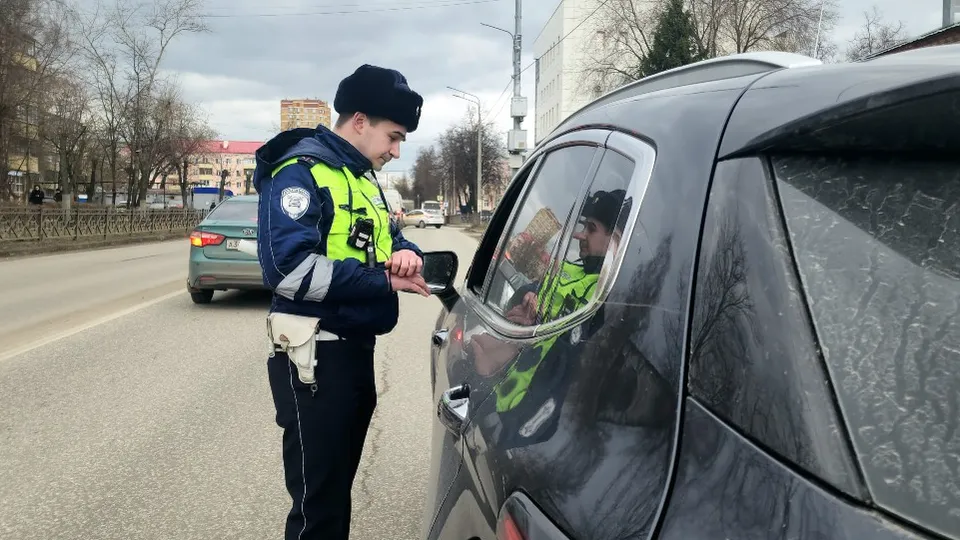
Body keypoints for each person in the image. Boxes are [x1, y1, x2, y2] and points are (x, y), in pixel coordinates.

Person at [252, 64, 429, 540]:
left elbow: (389, 238)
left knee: (335, 495)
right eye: (393, 137)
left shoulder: (363, 179)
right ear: (360, 121)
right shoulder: (299, 171)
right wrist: (381, 281)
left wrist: (408, 256)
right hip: (315, 361)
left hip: (354, 352)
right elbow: (287, 270)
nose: (395, 151)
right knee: (318, 507)